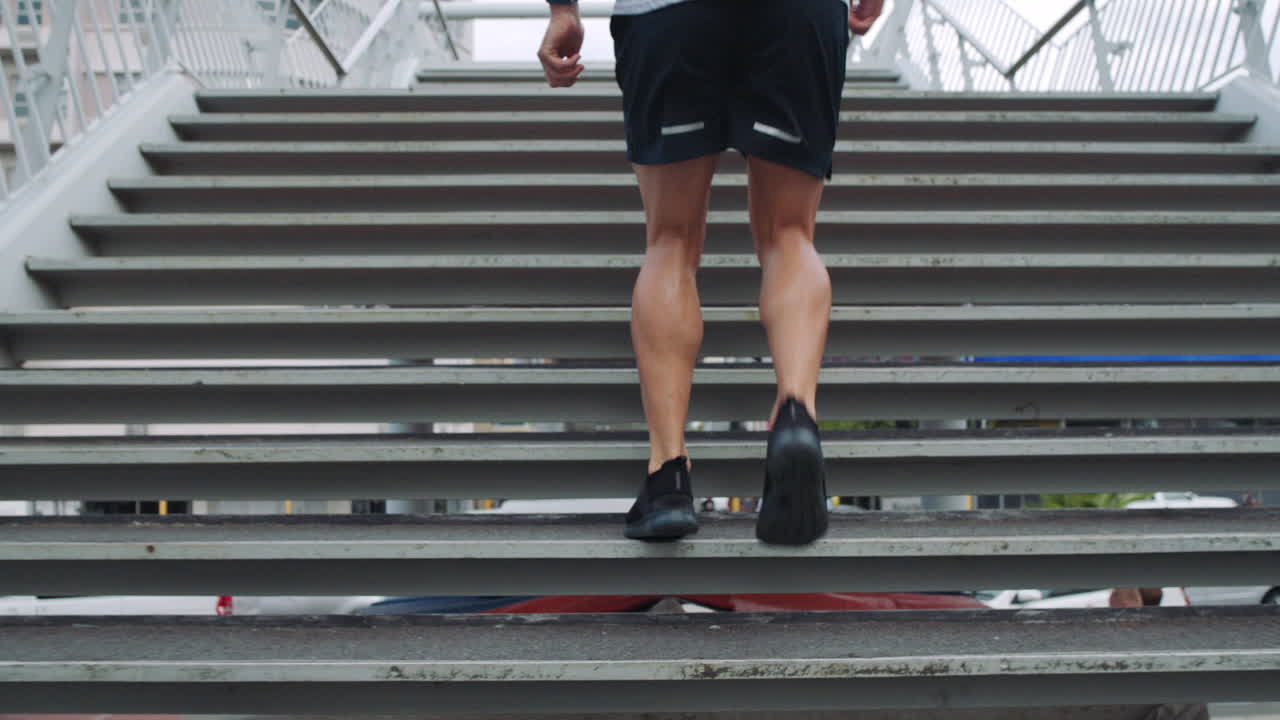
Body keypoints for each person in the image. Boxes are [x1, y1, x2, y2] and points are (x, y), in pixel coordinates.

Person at [538, 0, 883, 544]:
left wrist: (563, 10)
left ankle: (668, 474)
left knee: (670, 241)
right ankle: (795, 414)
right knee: (789, 234)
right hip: (798, 16)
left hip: (669, 15)